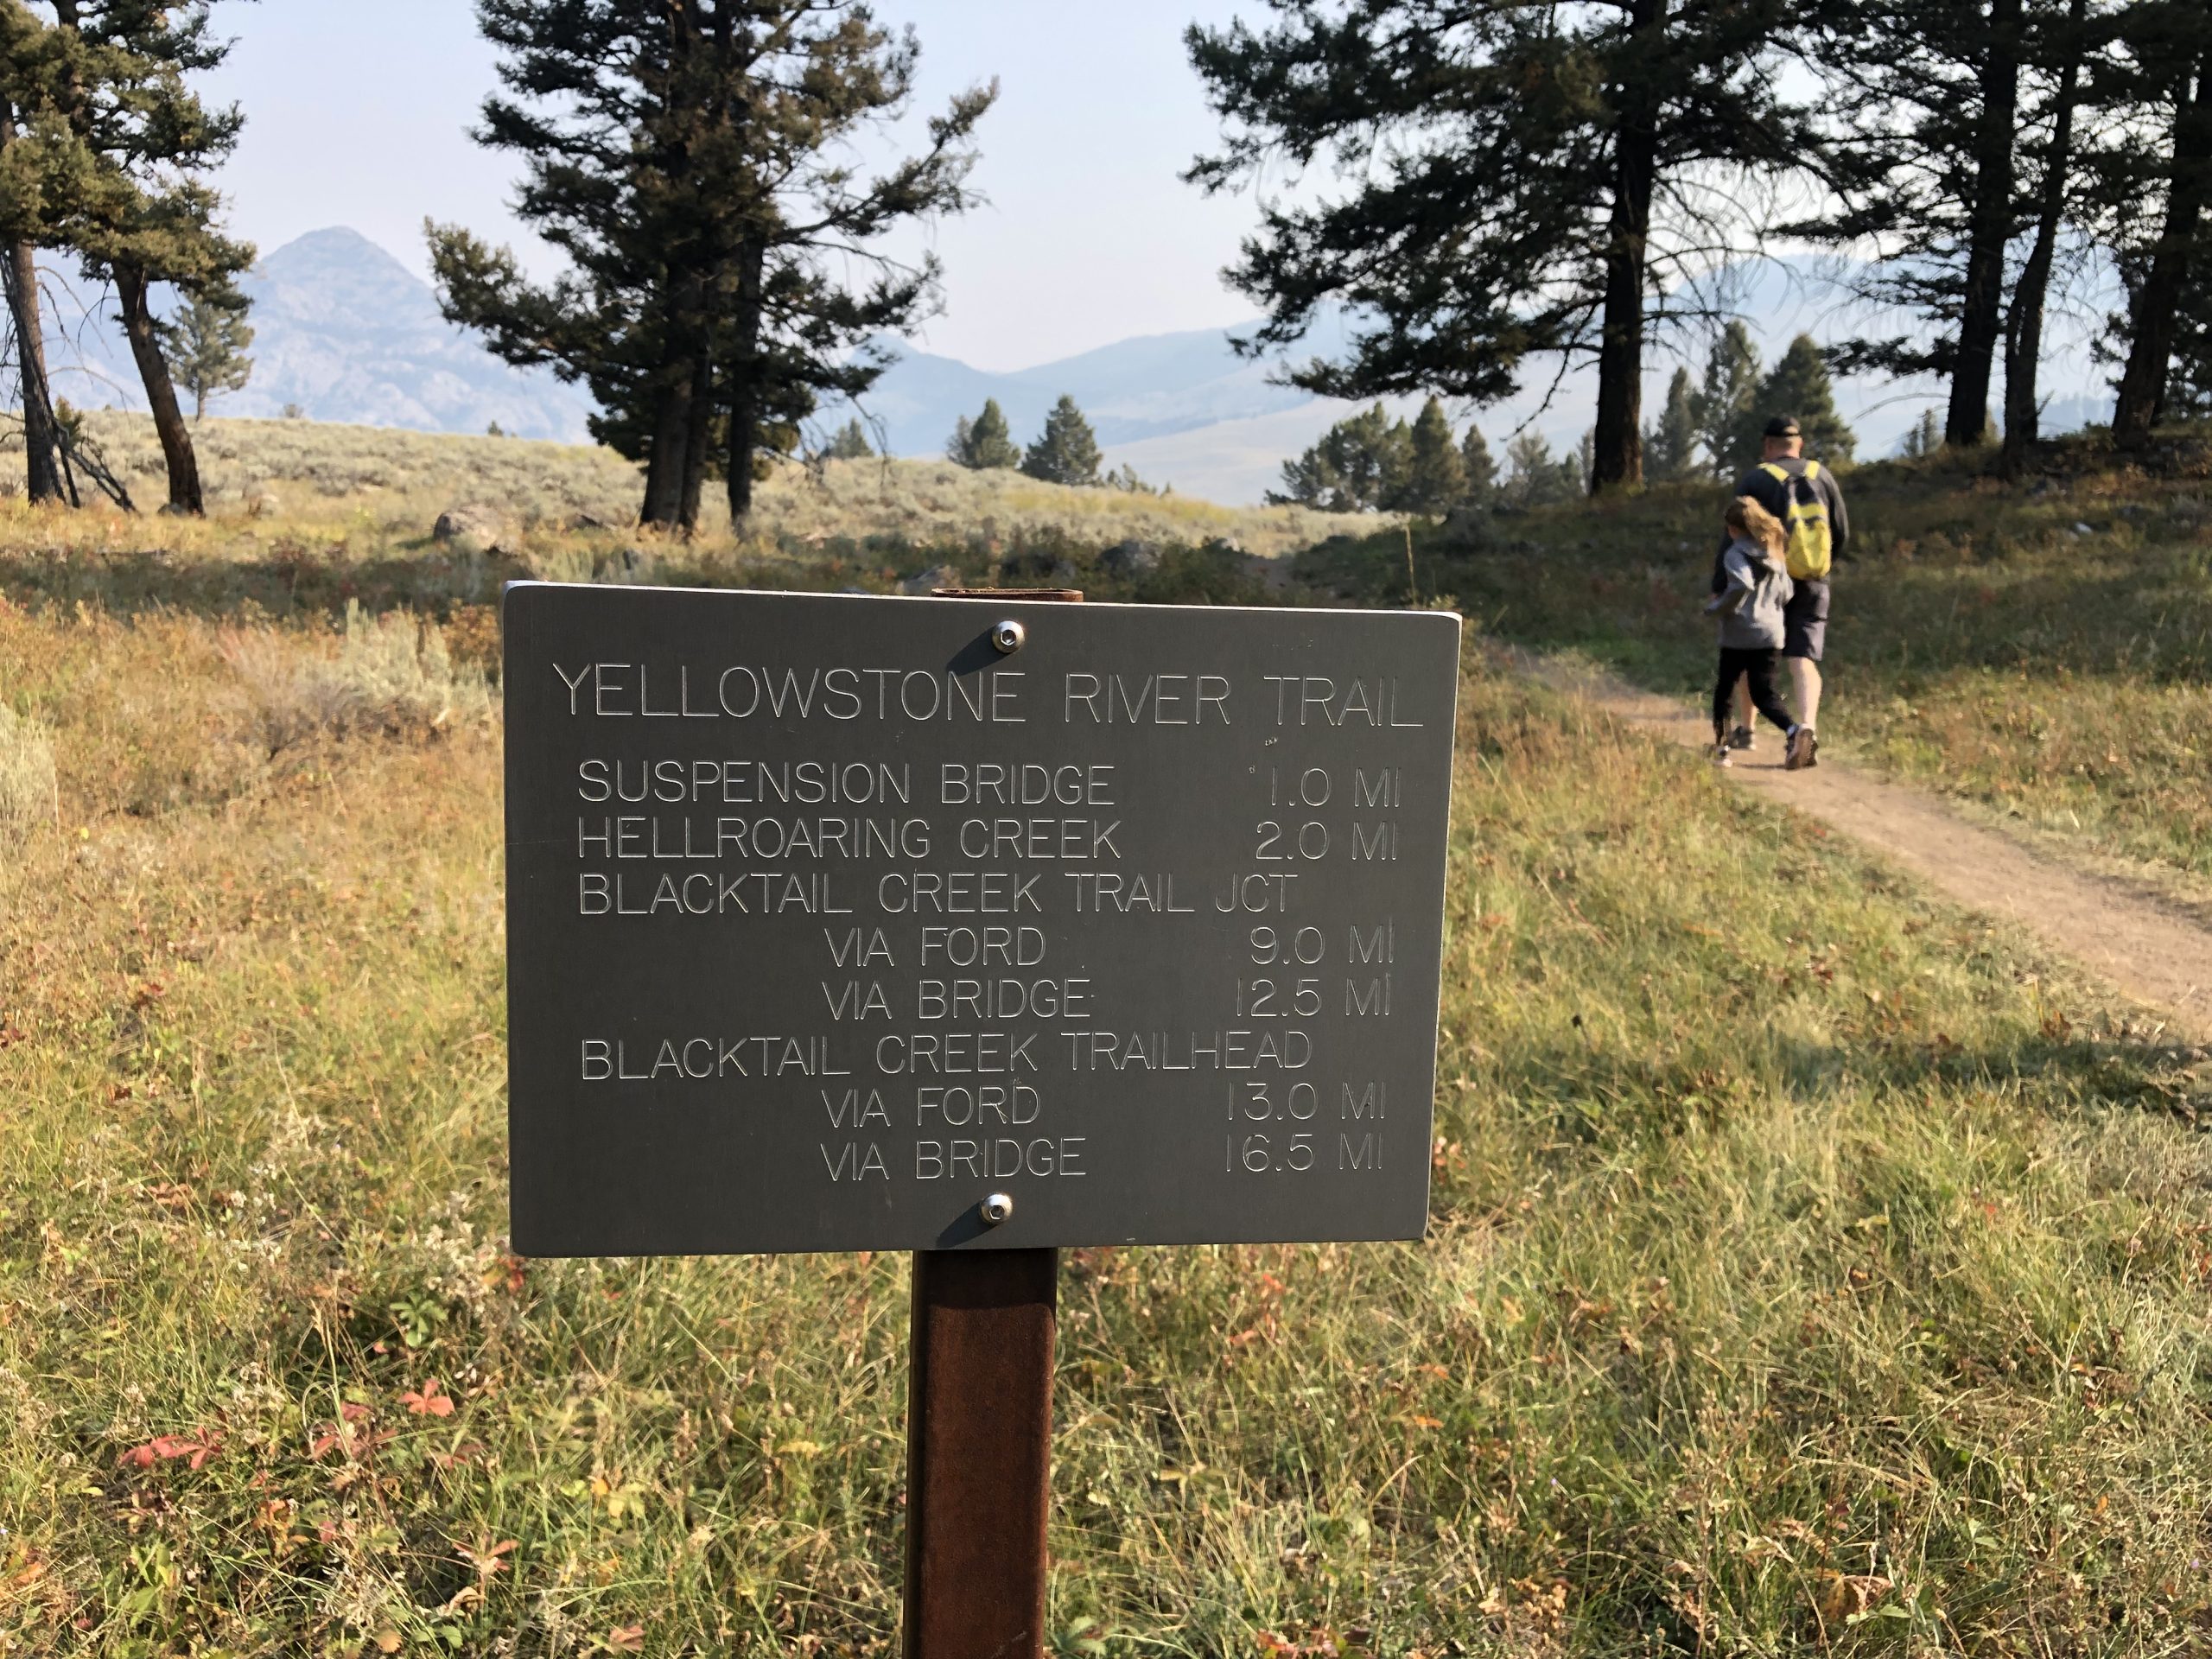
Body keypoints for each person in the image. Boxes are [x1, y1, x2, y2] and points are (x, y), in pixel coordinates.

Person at [1714, 414, 1848, 769]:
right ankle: (1807, 728)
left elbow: (1735, 531)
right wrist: (1820, 568)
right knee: (1802, 657)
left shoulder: (1758, 478)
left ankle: (1747, 730)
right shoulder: (1824, 477)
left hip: (1767, 584)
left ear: (1768, 445)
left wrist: (1720, 586)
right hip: (1815, 579)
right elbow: (1841, 533)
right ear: (1799, 443)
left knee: (1751, 652)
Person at [1705, 495, 1802, 768]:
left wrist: (1717, 608)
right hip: (1771, 634)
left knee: (1724, 690)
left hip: (1739, 635)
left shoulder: (1735, 553)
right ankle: (1794, 731)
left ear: (1734, 529)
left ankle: (1722, 749)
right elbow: (1787, 593)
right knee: (1764, 692)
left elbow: (1741, 585)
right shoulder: (1774, 553)